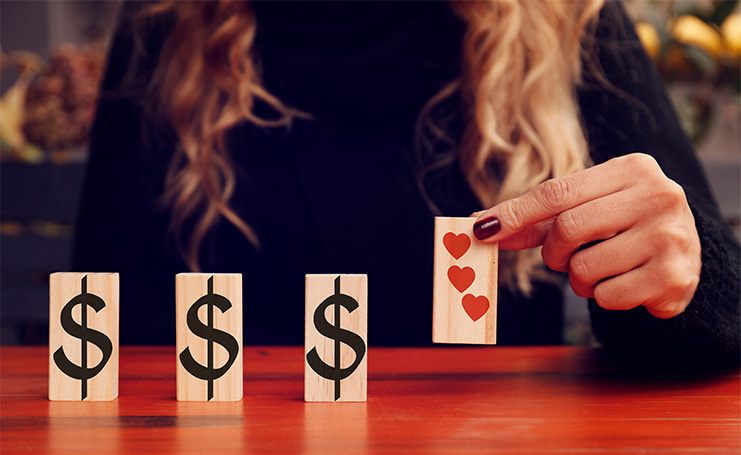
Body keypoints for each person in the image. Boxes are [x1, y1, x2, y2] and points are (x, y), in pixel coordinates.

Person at [73, 0, 740, 358]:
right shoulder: (167, 30)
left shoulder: (568, 19)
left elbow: (710, 310)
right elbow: (110, 323)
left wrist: (684, 278)